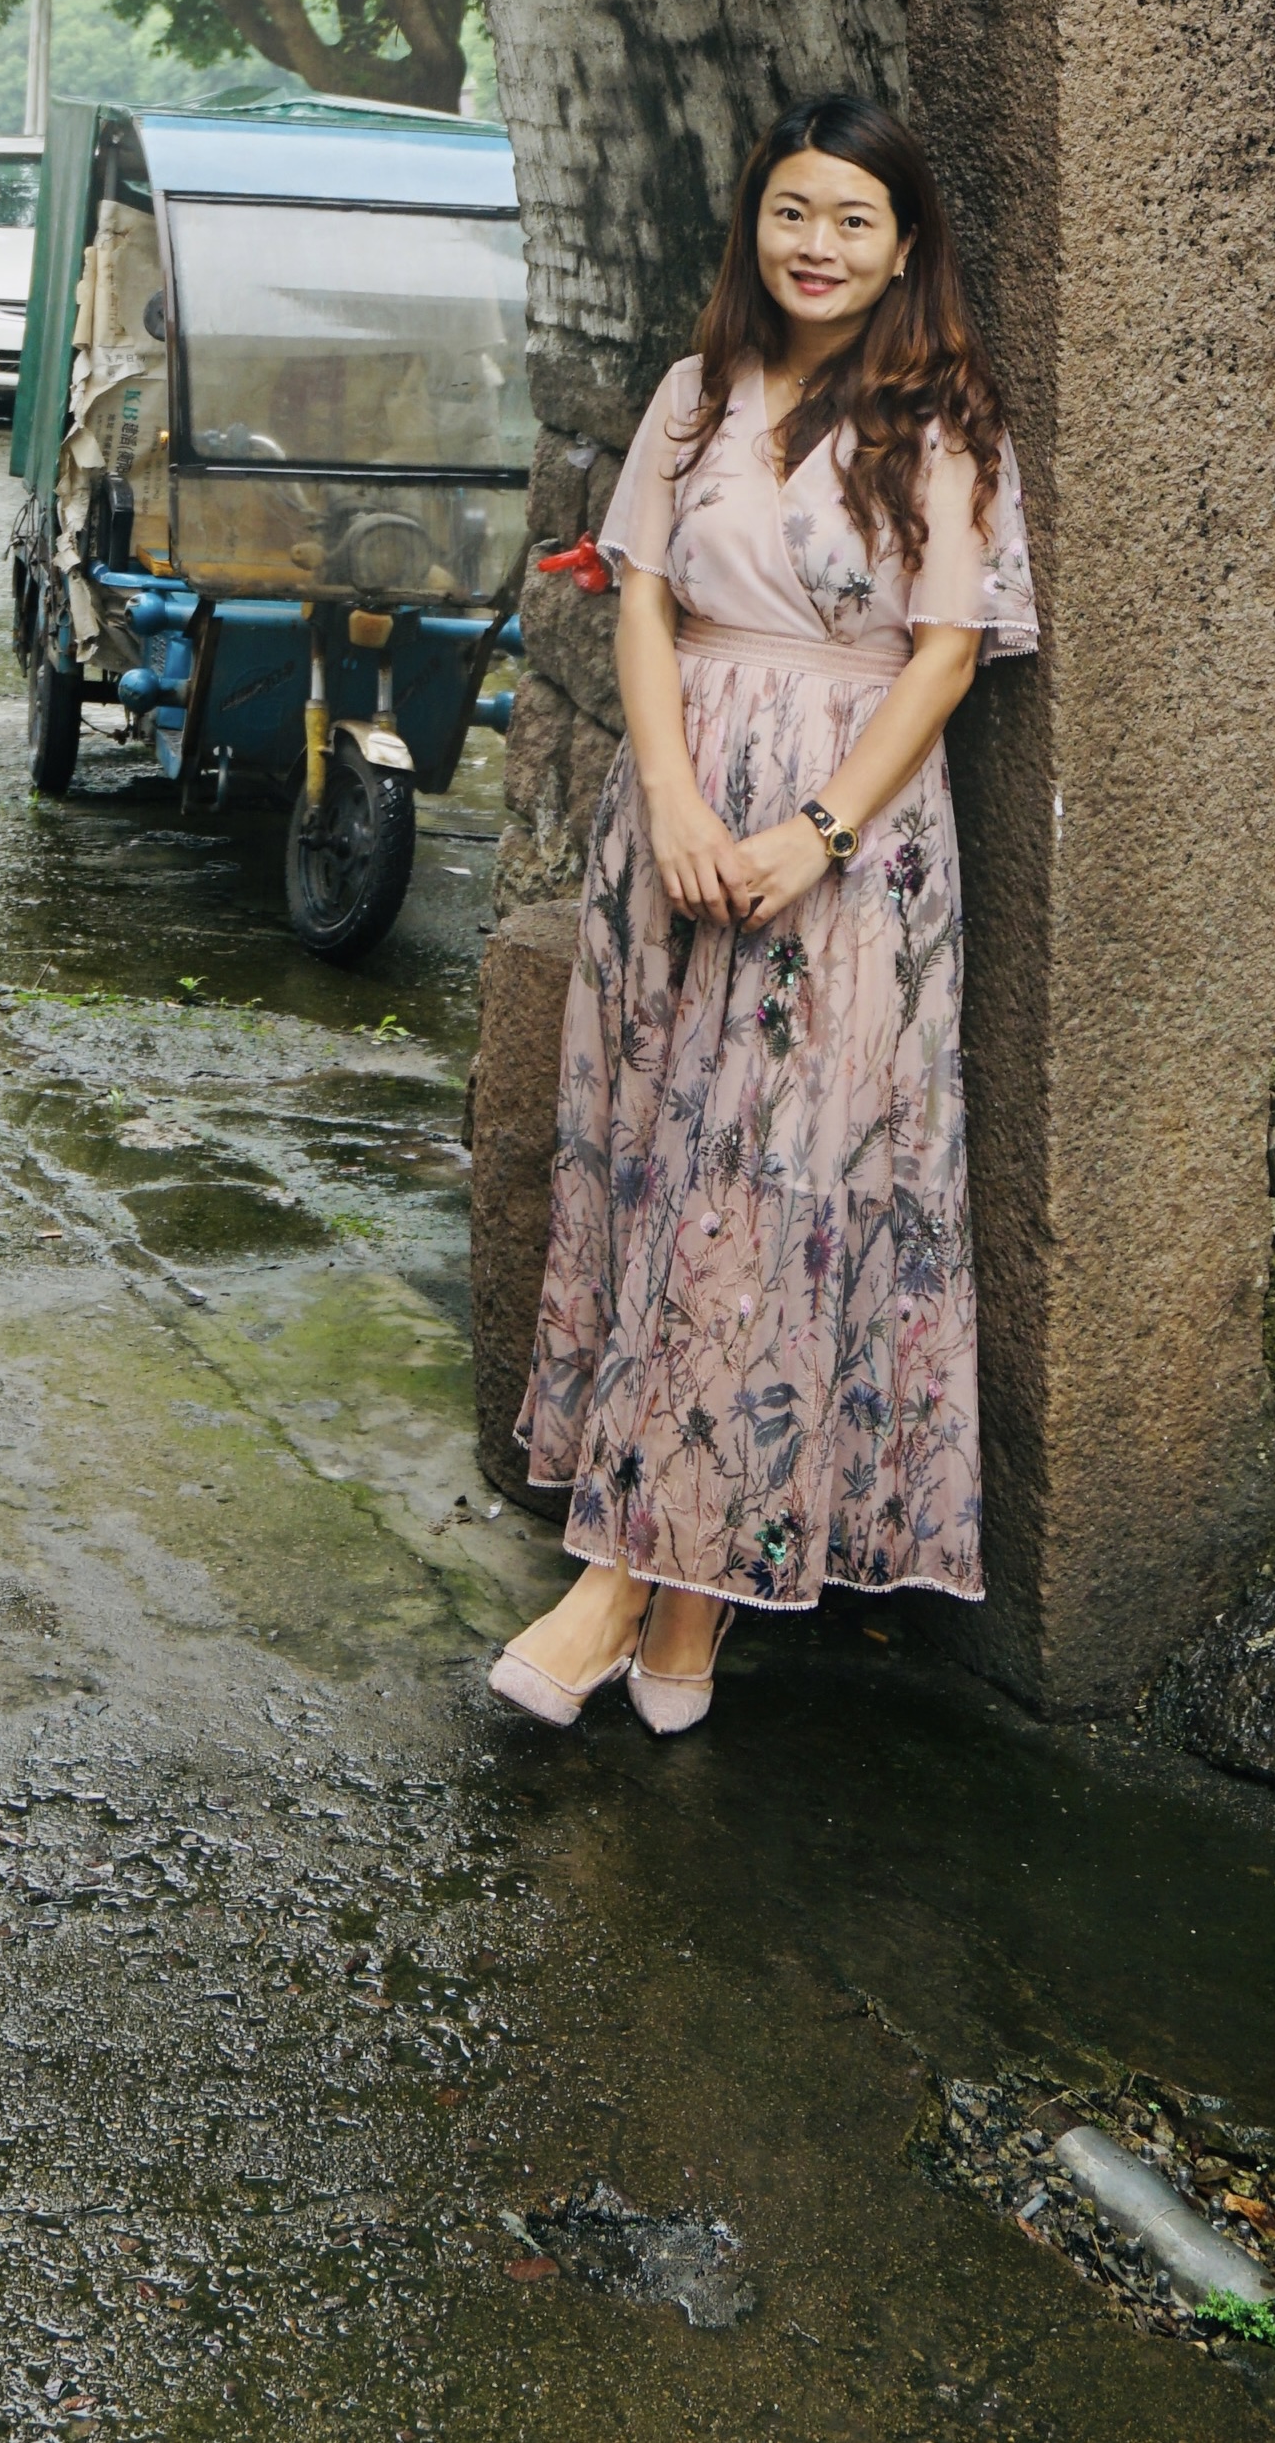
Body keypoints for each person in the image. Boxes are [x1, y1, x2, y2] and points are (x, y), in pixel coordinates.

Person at [488, 93, 1034, 1737]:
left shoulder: (942, 416)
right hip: (673, 810)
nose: (817, 243)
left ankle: (614, 1585)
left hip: (845, 846)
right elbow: (641, 595)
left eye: (853, 217)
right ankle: (684, 1610)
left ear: (902, 242)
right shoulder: (691, 391)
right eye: (793, 210)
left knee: (761, 1201)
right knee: (657, 1170)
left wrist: (813, 830)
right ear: (755, 221)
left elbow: (942, 651)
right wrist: (665, 798)